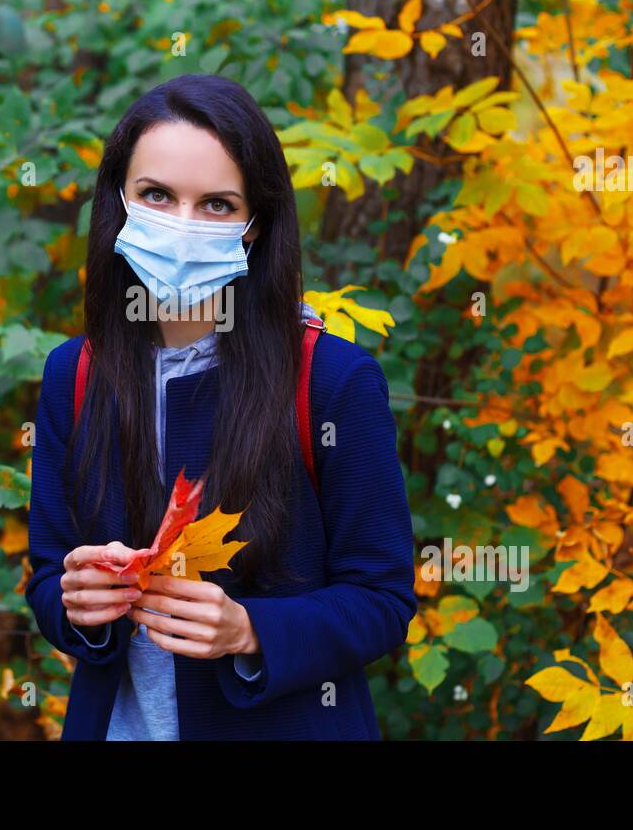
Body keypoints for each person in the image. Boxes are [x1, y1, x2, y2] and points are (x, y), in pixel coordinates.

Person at [25, 73, 416, 740]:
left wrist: (250, 631)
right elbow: (47, 576)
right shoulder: (76, 373)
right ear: (118, 201)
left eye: (215, 204)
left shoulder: (331, 380)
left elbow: (382, 598)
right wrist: (76, 605)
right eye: (155, 195)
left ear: (255, 224)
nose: (181, 224)